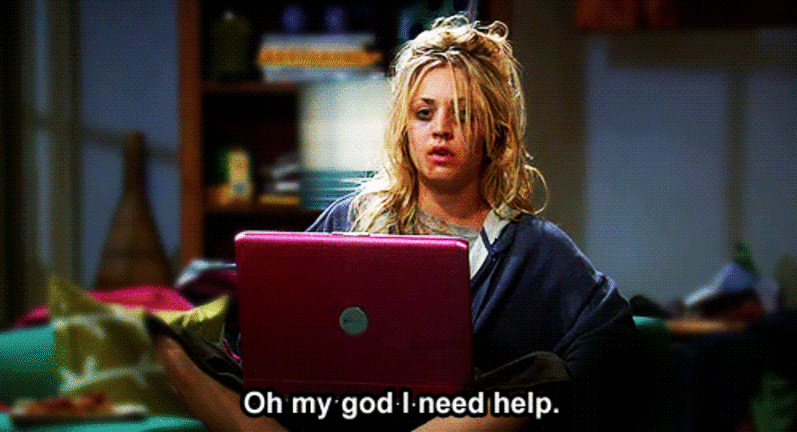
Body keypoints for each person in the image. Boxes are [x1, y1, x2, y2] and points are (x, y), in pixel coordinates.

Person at [154, 15, 637, 431]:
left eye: (463, 114)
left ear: (494, 133)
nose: (441, 129)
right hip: (331, 414)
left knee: (540, 374)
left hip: (447, 421)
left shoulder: (533, 247)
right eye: (424, 113)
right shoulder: (350, 218)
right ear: (405, 129)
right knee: (175, 346)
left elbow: (610, 337)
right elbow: (267, 329)